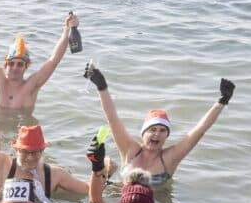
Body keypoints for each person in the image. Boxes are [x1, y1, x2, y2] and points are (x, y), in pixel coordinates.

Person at [85, 66, 234, 185]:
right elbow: (112, 118)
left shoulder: (170, 157)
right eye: (152, 129)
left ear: (167, 136)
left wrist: (221, 102)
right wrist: (102, 87)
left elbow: (199, 130)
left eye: (162, 130)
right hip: (125, 202)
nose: (157, 134)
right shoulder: (130, 149)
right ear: (143, 133)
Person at [0, 10, 77, 112]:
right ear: (6, 64)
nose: (15, 67)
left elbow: (54, 60)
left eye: (20, 64)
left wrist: (67, 30)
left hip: (22, 130)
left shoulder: (31, 85)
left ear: (26, 66)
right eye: (11, 63)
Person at [0, 118, 87, 203]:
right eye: (25, 152)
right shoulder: (3, 166)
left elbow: (88, 190)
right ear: (16, 150)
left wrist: (101, 170)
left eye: (35, 152)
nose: (30, 157)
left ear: (42, 150)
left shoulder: (55, 174)